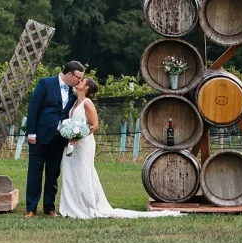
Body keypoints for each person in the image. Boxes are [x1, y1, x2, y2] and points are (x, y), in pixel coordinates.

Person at [58, 76, 183, 219]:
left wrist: (78, 136)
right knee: (70, 173)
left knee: (84, 172)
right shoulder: (75, 102)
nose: (78, 82)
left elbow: (94, 125)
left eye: (81, 81)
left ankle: (88, 206)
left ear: (86, 87)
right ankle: (72, 206)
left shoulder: (87, 103)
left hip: (83, 143)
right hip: (72, 144)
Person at [24, 60, 84, 218]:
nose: (79, 81)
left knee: (53, 174)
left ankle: (49, 207)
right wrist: (31, 133)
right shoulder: (46, 83)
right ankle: (31, 208)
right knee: (35, 173)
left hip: (59, 139)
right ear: (69, 74)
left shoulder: (74, 92)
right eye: (78, 77)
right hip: (39, 137)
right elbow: (33, 107)